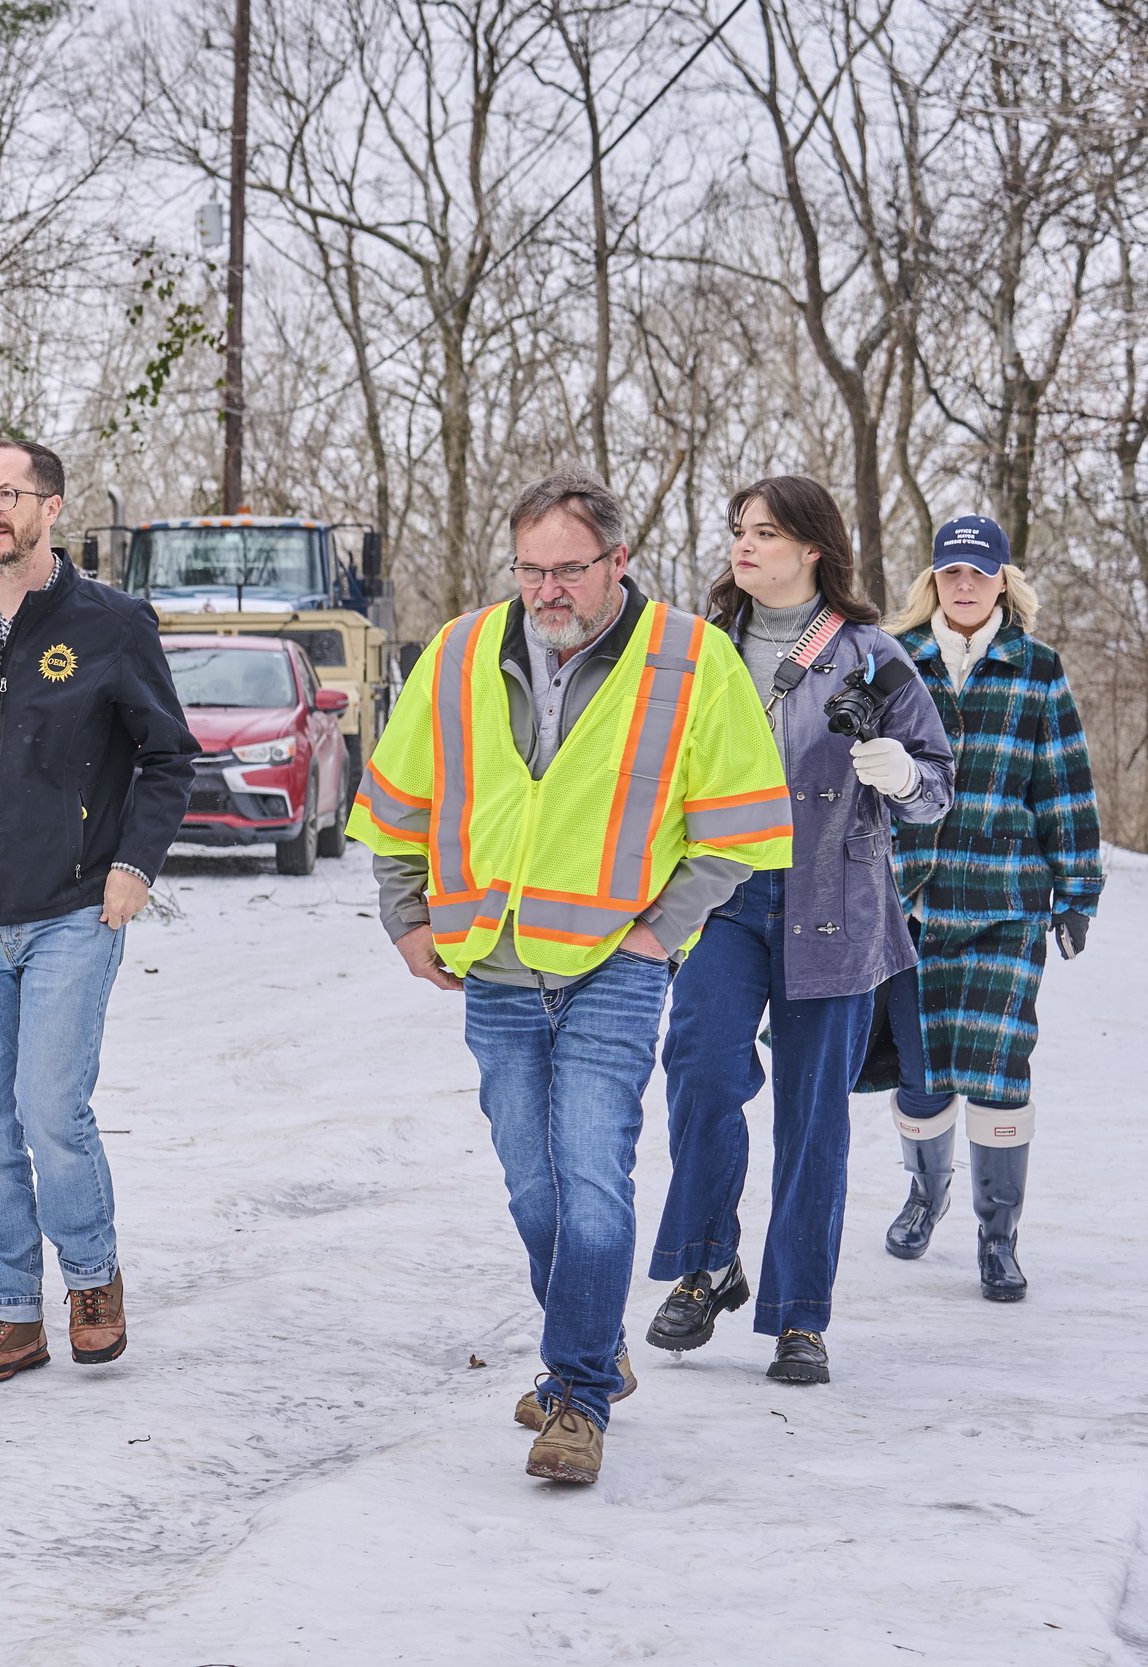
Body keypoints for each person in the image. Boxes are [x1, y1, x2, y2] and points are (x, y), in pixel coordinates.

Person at [349, 469, 791, 1485]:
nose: (547, 589)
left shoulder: (693, 658)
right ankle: (595, 1345)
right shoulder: (461, 648)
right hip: (492, 964)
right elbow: (398, 796)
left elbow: (740, 824)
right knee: (533, 1186)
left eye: (568, 569)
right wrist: (405, 917)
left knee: (592, 1177)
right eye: (530, 568)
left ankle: (579, 1397)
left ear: (616, 563)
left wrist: (661, 930)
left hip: (613, 964)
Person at [0, 439, 197, 1389]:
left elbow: (167, 757)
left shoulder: (109, 623)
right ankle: (10, 1312)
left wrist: (135, 866)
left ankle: (92, 1281)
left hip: (73, 910)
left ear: (51, 508)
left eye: (8, 495)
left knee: (48, 1109)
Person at [644, 476, 952, 1386]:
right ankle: (707, 1265)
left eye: (767, 532)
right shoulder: (701, 650)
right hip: (723, 896)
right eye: (739, 530)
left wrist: (898, 773)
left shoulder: (870, 651)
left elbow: (938, 785)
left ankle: (799, 1316)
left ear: (813, 547)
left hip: (837, 904)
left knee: (814, 1120)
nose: (745, 545)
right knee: (701, 1075)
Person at [867, 514, 1101, 1300]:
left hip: (1005, 901)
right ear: (933, 579)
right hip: (911, 902)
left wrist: (1078, 891)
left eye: (979, 571)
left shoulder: (1037, 668)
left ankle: (998, 1237)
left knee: (1001, 1070)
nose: (964, 584)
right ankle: (922, 1198)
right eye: (951, 571)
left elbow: (1063, 785)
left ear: (1003, 579)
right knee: (923, 1073)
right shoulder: (895, 663)